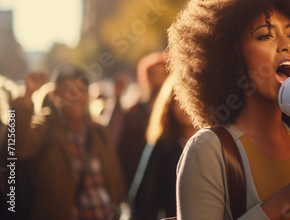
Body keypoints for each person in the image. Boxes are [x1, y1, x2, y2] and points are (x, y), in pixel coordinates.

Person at [168, 0, 290, 219]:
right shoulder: (208, 150)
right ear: (235, 60)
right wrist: (288, 199)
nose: (286, 45)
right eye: (265, 36)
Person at [12, 64, 126, 219]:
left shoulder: (99, 130)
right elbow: (17, 147)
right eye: (68, 90)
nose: (76, 95)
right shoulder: (43, 127)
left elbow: (114, 178)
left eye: (81, 89)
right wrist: (28, 96)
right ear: (54, 95)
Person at [128, 74, 197, 219]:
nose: (184, 107)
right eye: (177, 101)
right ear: (168, 106)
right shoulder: (162, 146)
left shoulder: (216, 141)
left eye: (190, 98)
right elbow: (140, 200)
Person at [118, 52, 168, 190]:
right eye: (154, 74)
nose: (158, 80)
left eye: (162, 74)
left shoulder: (175, 109)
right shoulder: (136, 110)